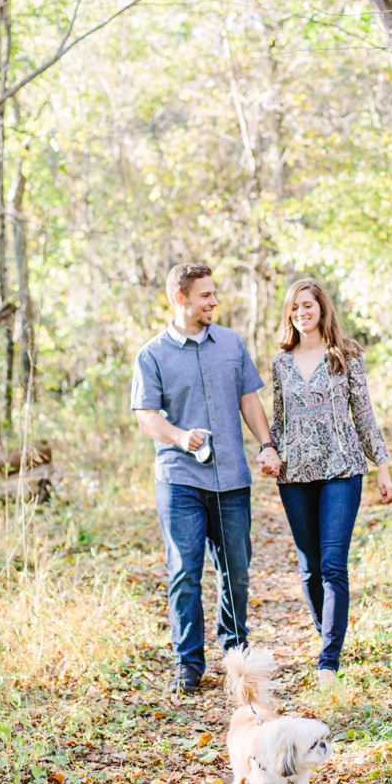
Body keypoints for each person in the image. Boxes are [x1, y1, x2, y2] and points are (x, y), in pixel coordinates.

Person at [132, 263, 281, 694]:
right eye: (205, 296)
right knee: (184, 571)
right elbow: (146, 416)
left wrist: (266, 444)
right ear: (181, 299)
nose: (214, 301)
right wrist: (180, 436)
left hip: (231, 477)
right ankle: (188, 664)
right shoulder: (152, 354)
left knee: (235, 571)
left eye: (214, 295)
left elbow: (249, 402)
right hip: (180, 480)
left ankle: (236, 653)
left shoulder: (231, 345)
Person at [269, 278, 392, 687]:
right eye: (294, 308)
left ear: (322, 308)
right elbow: (279, 420)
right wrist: (267, 451)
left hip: (342, 469)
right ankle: (328, 633)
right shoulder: (281, 362)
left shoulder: (346, 355)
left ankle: (328, 662)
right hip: (296, 475)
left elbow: (364, 414)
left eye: (308, 305)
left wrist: (383, 466)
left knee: (332, 565)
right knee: (309, 569)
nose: (301, 313)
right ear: (289, 314)